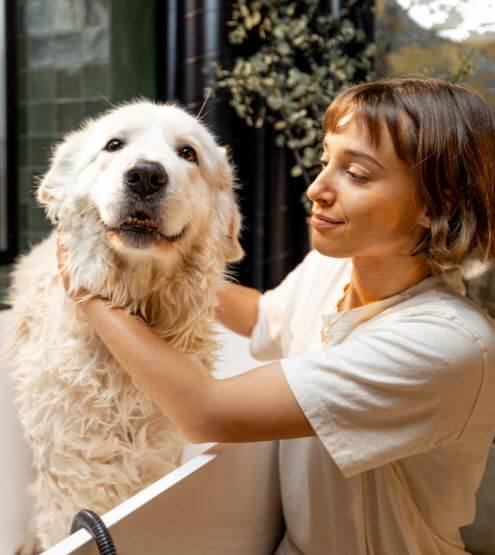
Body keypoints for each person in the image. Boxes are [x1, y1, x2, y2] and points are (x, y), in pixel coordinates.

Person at [58, 77, 495, 554]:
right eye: (326, 161)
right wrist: (170, 256)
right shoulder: (333, 270)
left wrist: (85, 289)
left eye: (357, 174)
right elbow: (261, 316)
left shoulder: (449, 344)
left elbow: (206, 413)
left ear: (439, 204)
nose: (316, 188)